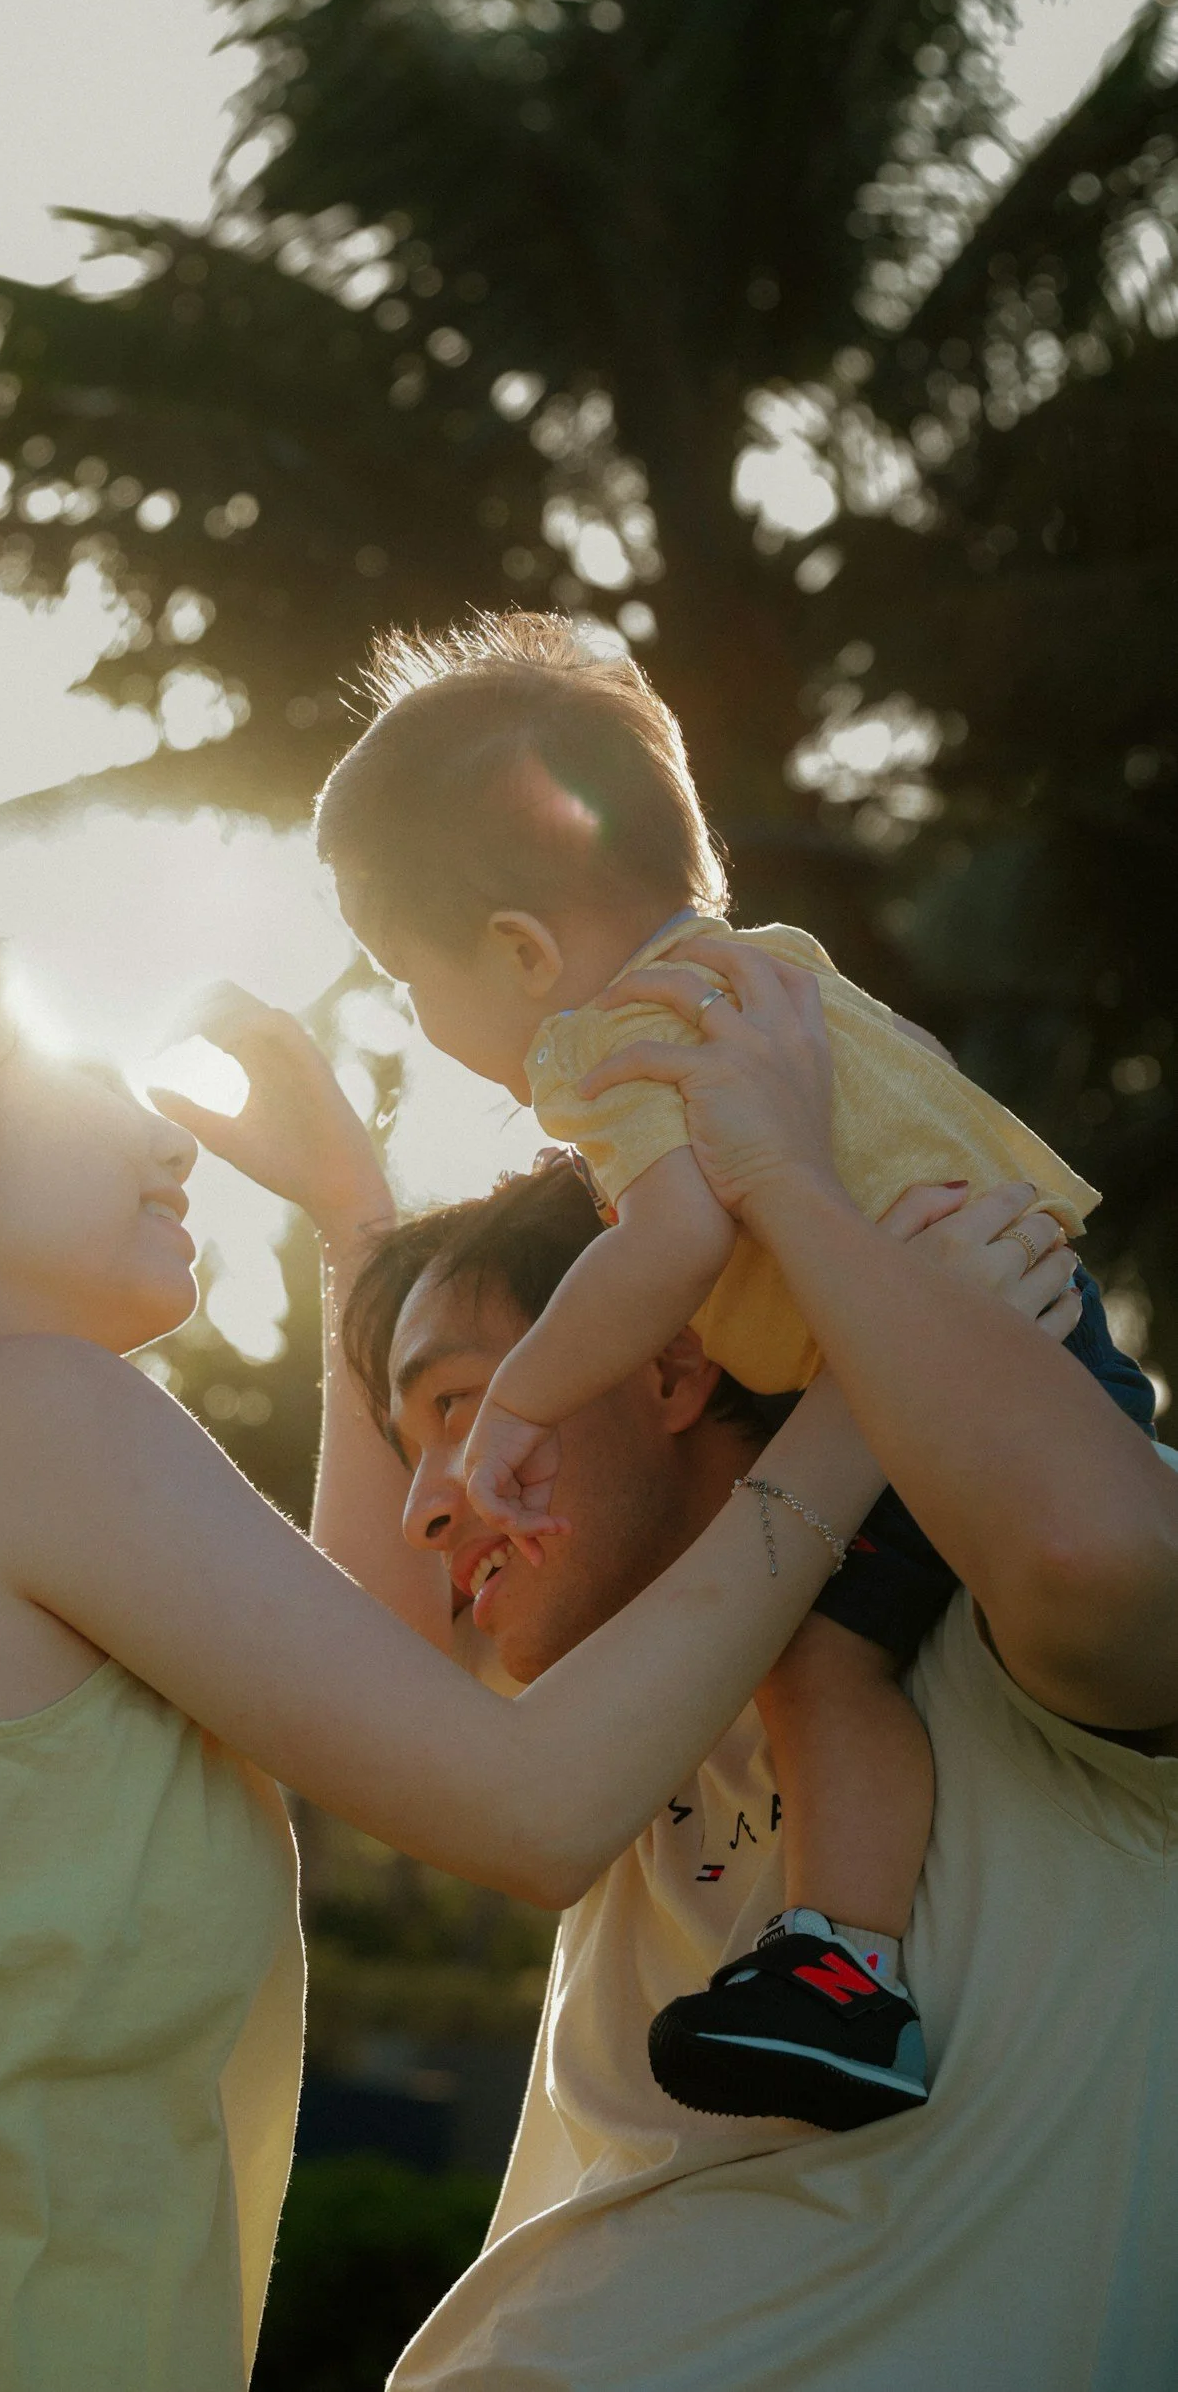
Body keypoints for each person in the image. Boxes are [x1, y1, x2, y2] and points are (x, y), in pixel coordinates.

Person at [0, 929, 954, 2392]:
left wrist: (351, 1218)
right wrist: (866, 1390)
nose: (168, 1139)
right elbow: (528, 1807)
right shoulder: (13, 1414)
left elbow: (378, 1680)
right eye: (87, 1076)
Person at [166, 954, 1178, 2391]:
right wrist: (352, 1218)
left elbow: (1110, 1569)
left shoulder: (997, 1614)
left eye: (464, 1406)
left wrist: (830, 1241)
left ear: (666, 1365)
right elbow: (370, 1683)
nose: (428, 1506)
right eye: (416, 1444)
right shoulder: (614, 1725)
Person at [311, 610, 1156, 2128]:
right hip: (1014, 1338)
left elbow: (670, 1242)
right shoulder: (771, 974)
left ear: (518, 952)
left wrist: (524, 1398)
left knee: (824, 1665)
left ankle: (839, 1968)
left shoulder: (624, 1052)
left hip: (983, 1382)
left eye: (400, 977)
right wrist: (343, 1216)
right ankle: (837, 1960)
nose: (413, 1019)